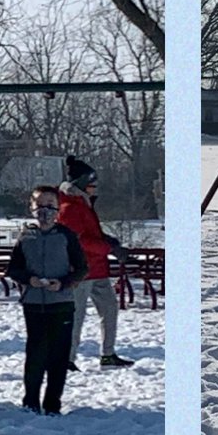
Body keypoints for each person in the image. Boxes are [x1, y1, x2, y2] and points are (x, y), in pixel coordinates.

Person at [5, 186, 88, 415]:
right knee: (35, 354)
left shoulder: (66, 235)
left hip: (61, 303)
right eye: (39, 205)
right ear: (31, 208)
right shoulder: (25, 237)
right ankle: (30, 401)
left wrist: (63, 283)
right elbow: (13, 268)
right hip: (33, 304)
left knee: (58, 356)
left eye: (50, 205)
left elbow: (81, 268)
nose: (45, 210)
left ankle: (53, 403)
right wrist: (28, 280)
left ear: (58, 207)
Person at [57, 155, 134, 370]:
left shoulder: (83, 204)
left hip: (97, 268)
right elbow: (78, 240)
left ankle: (108, 354)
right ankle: (67, 359)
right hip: (80, 271)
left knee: (109, 309)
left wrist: (108, 240)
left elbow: (93, 234)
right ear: (81, 184)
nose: (95, 188)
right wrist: (109, 248)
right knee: (77, 316)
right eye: (92, 184)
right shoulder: (70, 208)